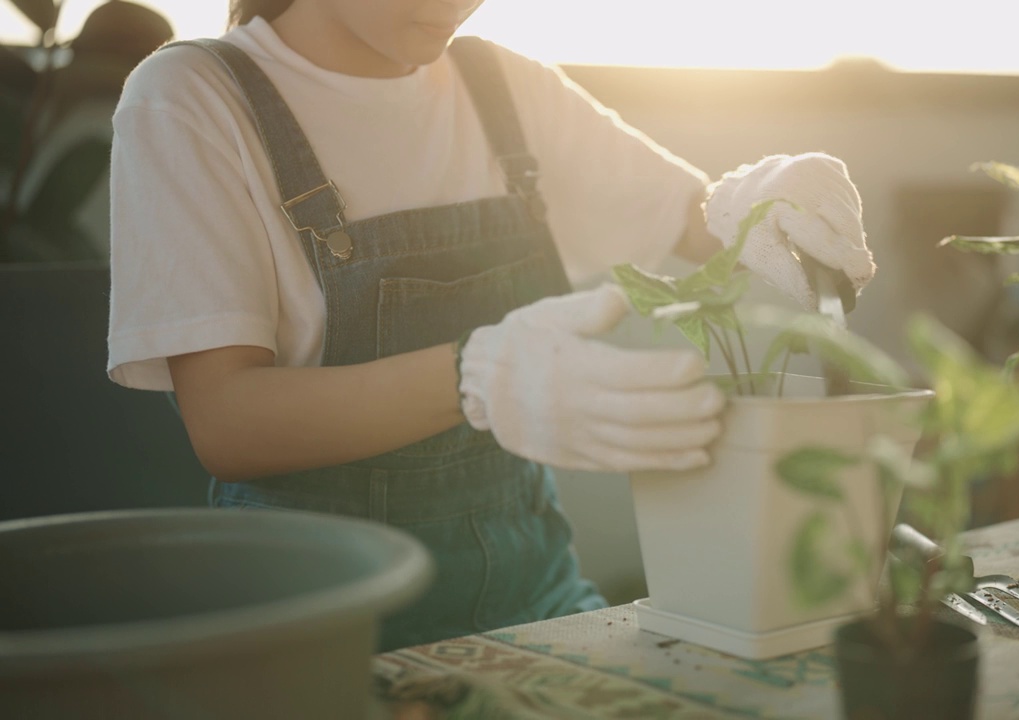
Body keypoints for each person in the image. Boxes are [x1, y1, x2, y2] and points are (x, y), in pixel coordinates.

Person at [107, 0, 873, 651]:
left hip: (530, 590)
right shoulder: (191, 96)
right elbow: (228, 423)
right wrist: (471, 374)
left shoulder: (502, 87)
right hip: (312, 617)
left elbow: (696, 220)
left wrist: (759, 201)